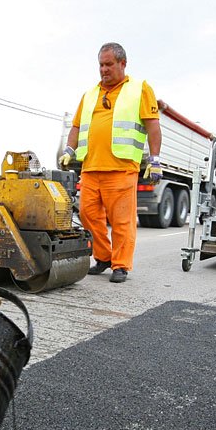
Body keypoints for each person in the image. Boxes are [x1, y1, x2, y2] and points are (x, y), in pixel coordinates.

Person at [58, 43, 163, 283]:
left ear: (122, 64)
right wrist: (69, 149)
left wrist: (155, 159)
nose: (104, 70)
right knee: (87, 215)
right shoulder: (90, 94)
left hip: (121, 169)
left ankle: (121, 265)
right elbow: (76, 126)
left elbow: (152, 125)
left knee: (121, 222)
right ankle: (103, 257)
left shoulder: (139, 89)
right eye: (101, 65)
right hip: (91, 168)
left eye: (109, 64)